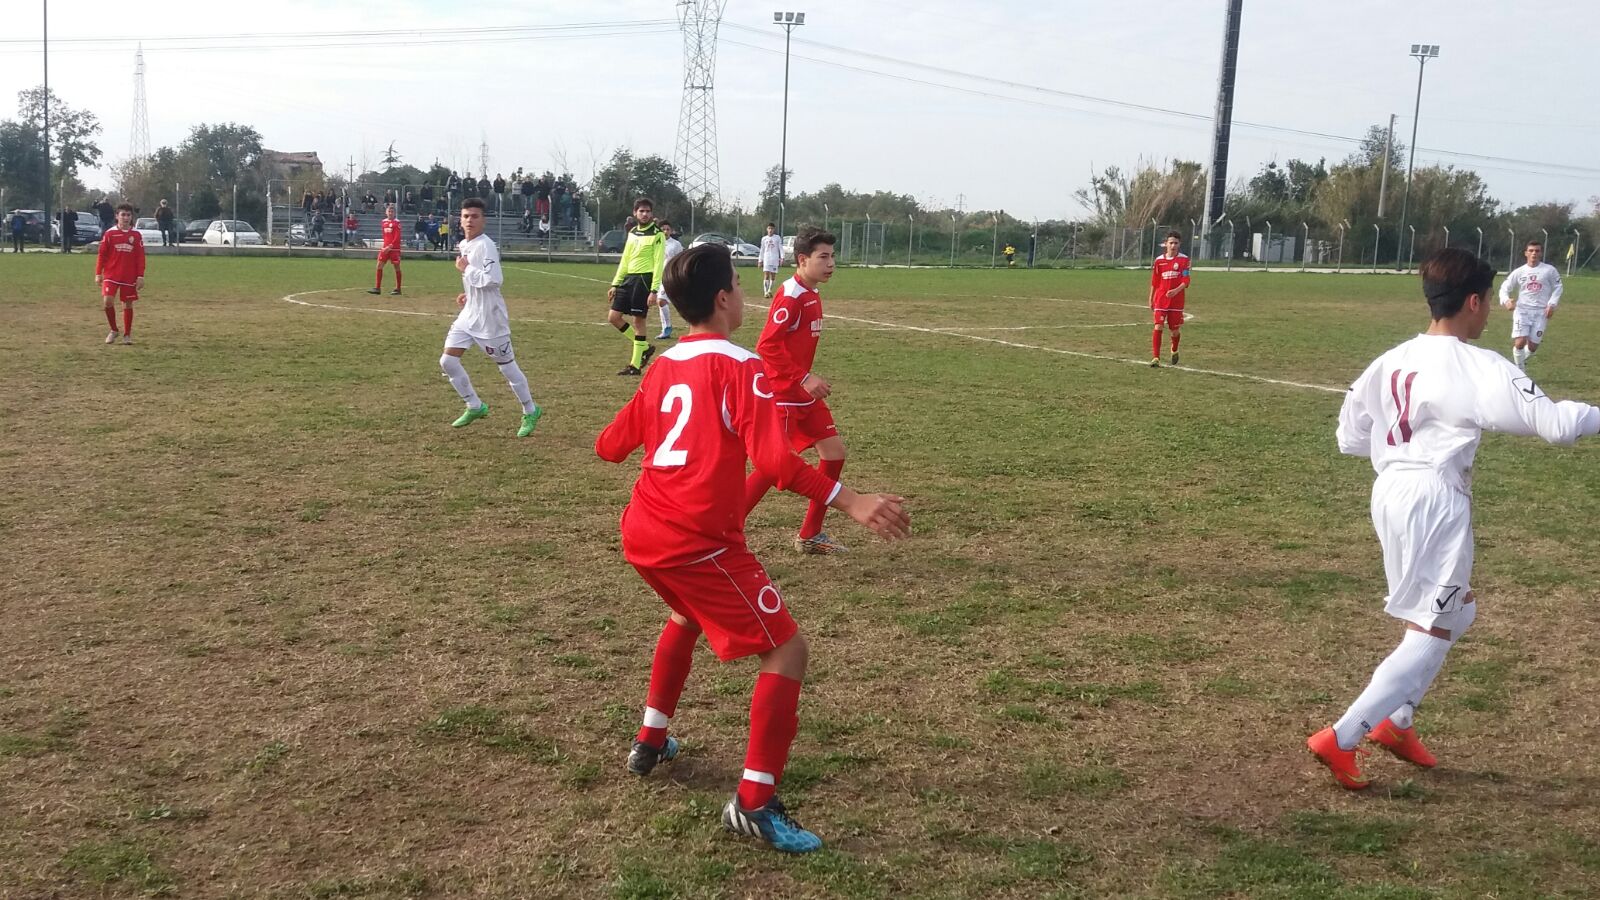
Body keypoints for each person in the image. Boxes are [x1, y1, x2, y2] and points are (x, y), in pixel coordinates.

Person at [595, 243, 911, 854]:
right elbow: (776, 463)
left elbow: (609, 447)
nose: (744, 294)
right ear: (722, 299)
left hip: (641, 532)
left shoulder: (662, 365)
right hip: (695, 541)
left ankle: (651, 739)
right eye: (739, 285)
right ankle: (754, 802)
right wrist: (852, 501)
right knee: (787, 650)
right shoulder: (742, 367)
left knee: (686, 615)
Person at [1307, 248, 1600, 791]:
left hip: (1390, 492)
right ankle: (1343, 737)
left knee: (1457, 611)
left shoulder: (1390, 359)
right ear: (1473, 302)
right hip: (1435, 501)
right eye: (1487, 299)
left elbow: (1349, 437)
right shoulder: (1478, 365)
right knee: (1432, 628)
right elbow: (1556, 425)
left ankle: (1398, 722)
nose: (1488, 310)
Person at [743, 226, 850, 555]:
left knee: (834, 454)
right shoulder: (791, 296)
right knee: (772, 467)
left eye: (832, 256)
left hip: (803, 395)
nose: (831, 263)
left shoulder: (810, 291)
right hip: (784, 394)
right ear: (802, 260)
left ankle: (810, 534)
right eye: (823, 257)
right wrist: (803, 377)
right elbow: (767, 345)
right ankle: (719, 531)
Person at [437, 199, 542, 438]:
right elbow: (478, 280)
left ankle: (530, 410)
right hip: (469, 314)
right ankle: (475, 406)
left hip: (490, 318)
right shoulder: (465, 244)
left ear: (483, 220)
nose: (469, 220)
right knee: (448, 361)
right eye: (466, 216)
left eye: (475, 216)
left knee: (507, 368)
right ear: (460, 220)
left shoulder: (486, 246)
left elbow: (494, 280)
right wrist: (468, 293)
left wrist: (466, 269)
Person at [606, 197, 666, 376]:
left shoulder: (657, 234)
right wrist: (616, 283)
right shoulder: (632, 232)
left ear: (651, 213)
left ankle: (635, 365)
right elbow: (625, 259)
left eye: (648, 211)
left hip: (644, 280)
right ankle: (644, 347)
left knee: (638, 321)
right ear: (635, 213)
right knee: (613, 317)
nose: (645, 214)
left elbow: (658, 264)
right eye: (641, 211)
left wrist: (654, 290)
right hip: (628, 279)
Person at [1498, 240, 1563, 371]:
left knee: (1533, 347)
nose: (1534, 253)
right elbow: (1504, 288)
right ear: (1526, 253)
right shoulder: (1519, 271)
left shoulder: (1549, 270)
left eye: (1537, 251)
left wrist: (1552, 304)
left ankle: (1517, 364)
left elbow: (1558, 287)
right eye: (1531, 251)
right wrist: (1506, 301)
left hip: (1541, 312)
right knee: (1520, 342)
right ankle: (1520, 370)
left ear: (1541, 253)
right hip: (1522, 311)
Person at [95, 203, 145, 345]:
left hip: (129, 275)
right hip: (111, 274)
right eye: (123, 215)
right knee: (107, 301)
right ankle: (114, 330)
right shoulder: (110, 233)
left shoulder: (136, 235)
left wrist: (140, 275)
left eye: (128, 215)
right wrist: (98, 273)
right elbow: (102, 255)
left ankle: (127, 335)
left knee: (127, 304)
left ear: (131, 217)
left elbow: (140, 257)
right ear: (117, 216)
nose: (126, 218)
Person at [1148, 230, 1190, 367]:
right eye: (1171, 243)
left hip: (1177, 301)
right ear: (1165, 244)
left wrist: (1176, 291)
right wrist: (1151, 298)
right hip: (1161, 298)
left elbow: (1186, 280)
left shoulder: (1184, 260)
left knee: (1174, 331)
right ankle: (1156, 357)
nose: (1173, 246)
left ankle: (1174, 348)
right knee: (1158, 326)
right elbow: (1155, 281)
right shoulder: (1159, 261)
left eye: (1176, 243)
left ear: (1179, 244)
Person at [655, 220, 684, 340]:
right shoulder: (656, 242)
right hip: (657, 276)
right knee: (661, 302)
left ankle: (667, 328)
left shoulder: (676, 244)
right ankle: (666, 328)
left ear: (671, 231)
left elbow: (681, 260)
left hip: (669, 276)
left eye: (668, 229)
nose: (666, 231)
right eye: (663, 229)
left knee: (661, 300)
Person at [369, 204, 404, 295]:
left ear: (394, 213)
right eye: (389, 211)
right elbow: (385, 236)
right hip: (385, 248)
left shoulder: (397, 223)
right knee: (379, 266)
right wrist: (385, 246)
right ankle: (377, 288)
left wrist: (390, 246)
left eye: (392, 212)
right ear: (386, 212)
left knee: (397, 267)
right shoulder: (383, 222)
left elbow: (397, 237)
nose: (390, 213)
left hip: (394, 249)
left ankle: (398, 289)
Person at [758, 223, 782, 299]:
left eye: (772, 228)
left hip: (774, 259)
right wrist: (760, 260)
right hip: (766, 259)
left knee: (773, 276)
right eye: (769, 228)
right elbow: (762, 250)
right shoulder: (764, 239)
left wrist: (782, 257)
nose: (770, 230)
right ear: (767, 229)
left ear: (774, 229)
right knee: (766, 275)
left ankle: (769, 291)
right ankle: (765, 292)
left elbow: (780, 248)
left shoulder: (777, 238)